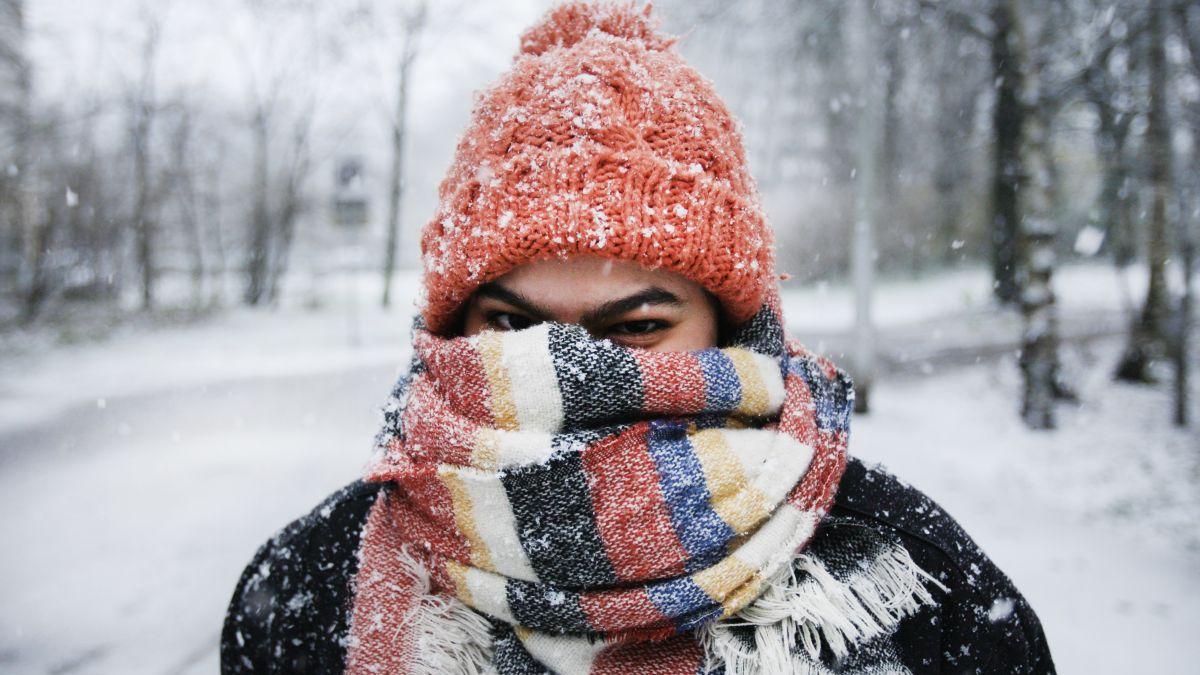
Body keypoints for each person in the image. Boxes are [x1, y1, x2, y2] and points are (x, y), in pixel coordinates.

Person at [220, 3, 1055, 673]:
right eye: (511, 324)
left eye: (639, 327)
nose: (565, 366)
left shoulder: (916, 589)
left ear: (733, 330)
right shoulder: (307, 593)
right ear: (451, 328)